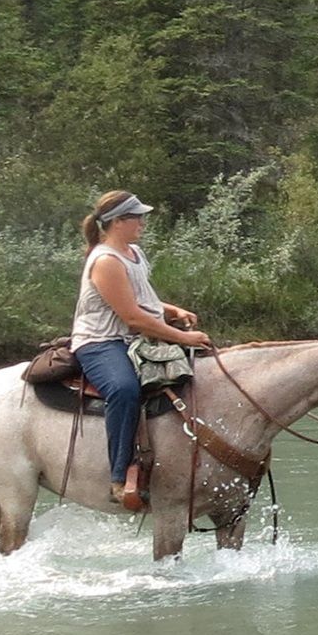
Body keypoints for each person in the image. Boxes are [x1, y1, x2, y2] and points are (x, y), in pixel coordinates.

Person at [70, 190, 211, 503]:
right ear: (118, 222)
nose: (143, 223)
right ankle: (119, 477)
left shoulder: (133, 253)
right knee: (124, 389)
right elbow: (133, 317)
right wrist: (185, 337)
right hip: (101, 342)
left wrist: (172, 311)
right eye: (137, 217)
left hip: (134, 338)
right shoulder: (106, 260)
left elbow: (139, 299)